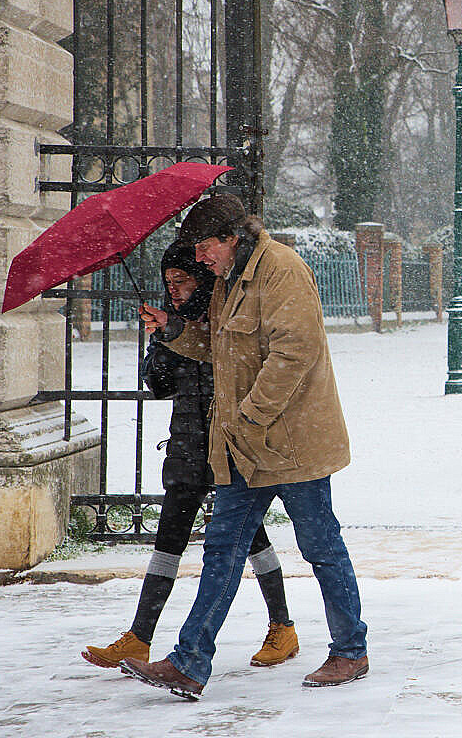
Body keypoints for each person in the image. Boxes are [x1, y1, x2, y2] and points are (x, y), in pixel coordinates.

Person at [128, 193, 367, 699]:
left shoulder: (282, 269)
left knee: (320, 547)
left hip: (294, 444)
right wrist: (172, 329)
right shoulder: (226, 279)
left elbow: (293, 352)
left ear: (232, 237)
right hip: (244, 448)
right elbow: (216, 344)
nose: (198, 258)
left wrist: (249, 415)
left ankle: (350, 651)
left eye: (204, 247)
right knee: (222, 550)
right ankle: (189, 664)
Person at [82, 243, 298, 672]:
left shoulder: (222, 319)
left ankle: (282, 626)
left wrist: (186, 332)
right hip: (185, 447)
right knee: (167, 544)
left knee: (252, 540)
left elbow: (242, 370)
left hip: (228, 447)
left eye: (182, 280)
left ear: (202, 281)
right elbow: (158, 387)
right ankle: (139, 638)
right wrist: (164, 339)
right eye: (168, 283)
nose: (175, 289)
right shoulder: (171, 323)